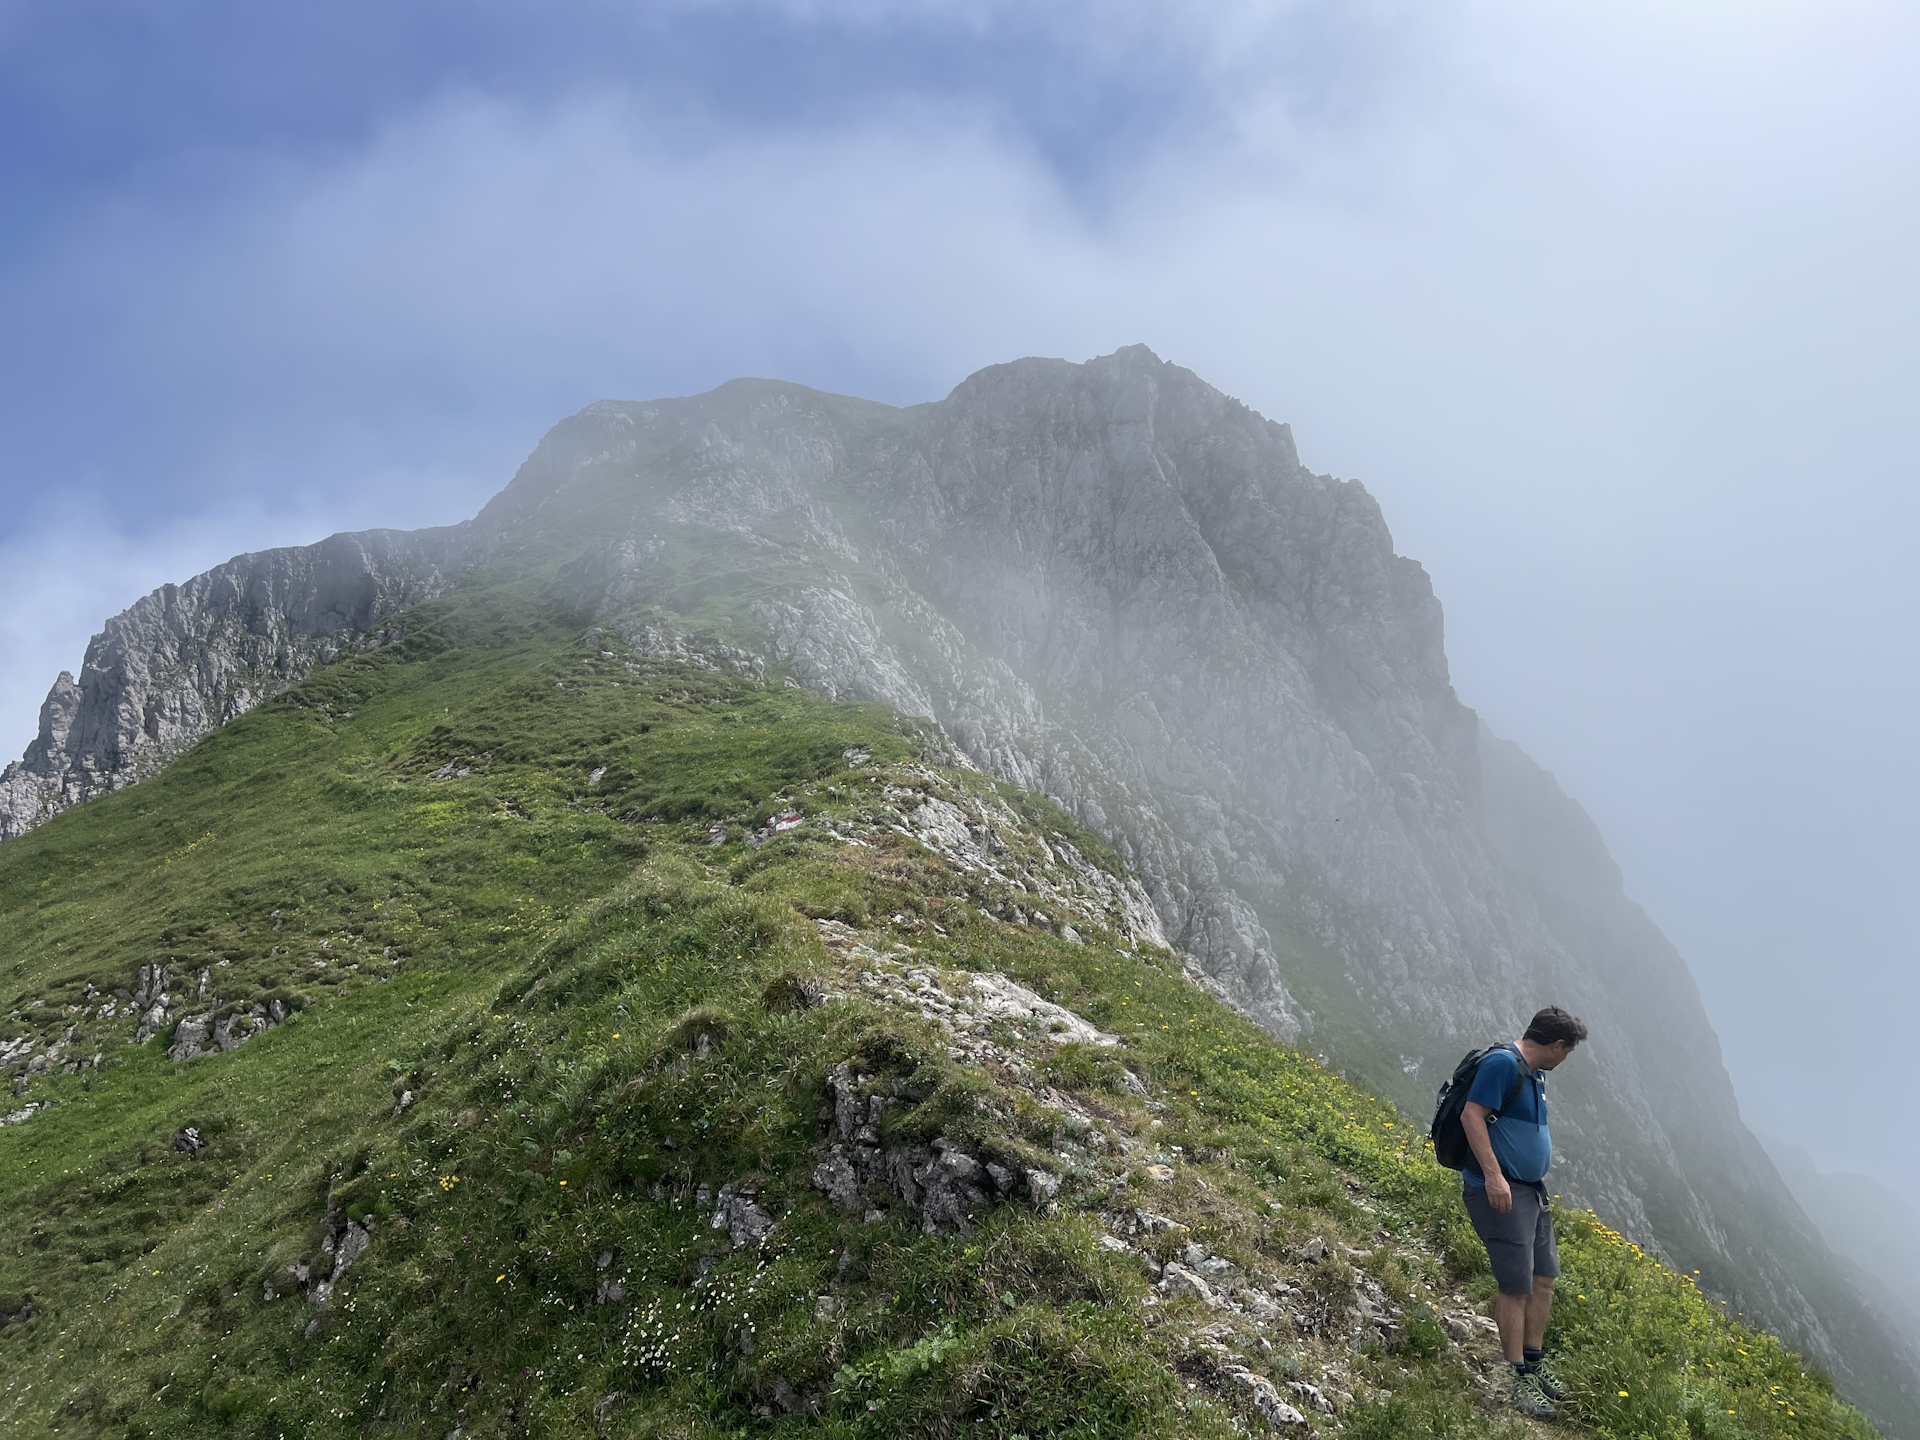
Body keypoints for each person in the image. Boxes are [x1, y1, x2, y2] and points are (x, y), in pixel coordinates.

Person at [1461, 1005, 1589, 1419]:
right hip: (1503, 1191)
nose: (1565, 1059)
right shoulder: (1503, 1064)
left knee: (1543, 1279)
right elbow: (1471, 1115)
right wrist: (1493, 1176)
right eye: (1567, 1051)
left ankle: (1533, 1362)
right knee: (1515, 1287)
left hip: (1531, 1191)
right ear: (1556, 1045)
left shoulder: (1534, 1073)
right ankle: (1516, 1376)